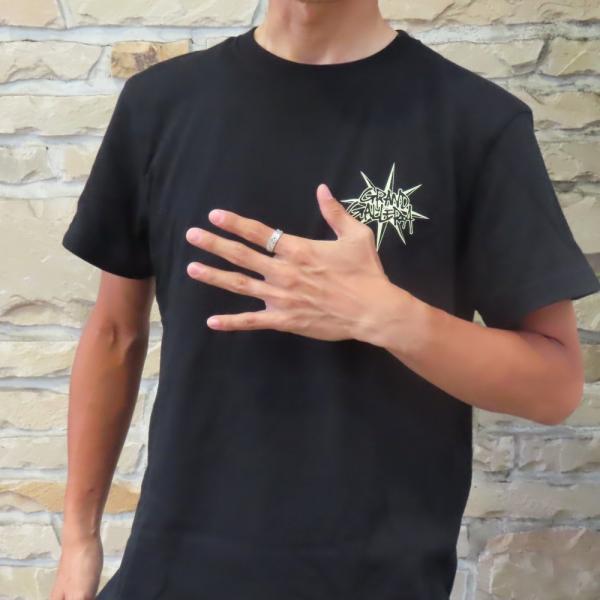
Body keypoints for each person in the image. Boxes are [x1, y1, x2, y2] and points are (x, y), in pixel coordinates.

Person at [51, 1, 600, 599]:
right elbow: (115, 333)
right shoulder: (159, 104)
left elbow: (554, 386)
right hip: (170, 574)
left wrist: (387, 317)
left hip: (374, 581)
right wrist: (78, 540)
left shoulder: (475, 122)